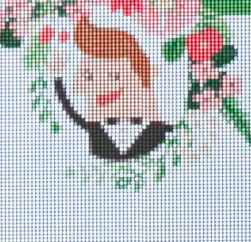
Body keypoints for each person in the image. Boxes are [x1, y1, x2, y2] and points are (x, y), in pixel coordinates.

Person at [51, 17, 171, 162]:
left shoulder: (166, 135)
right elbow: (70, 110)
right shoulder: (96, 129)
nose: (79, 89)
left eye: (114, 76)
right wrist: (57, 78)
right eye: (89, 77)